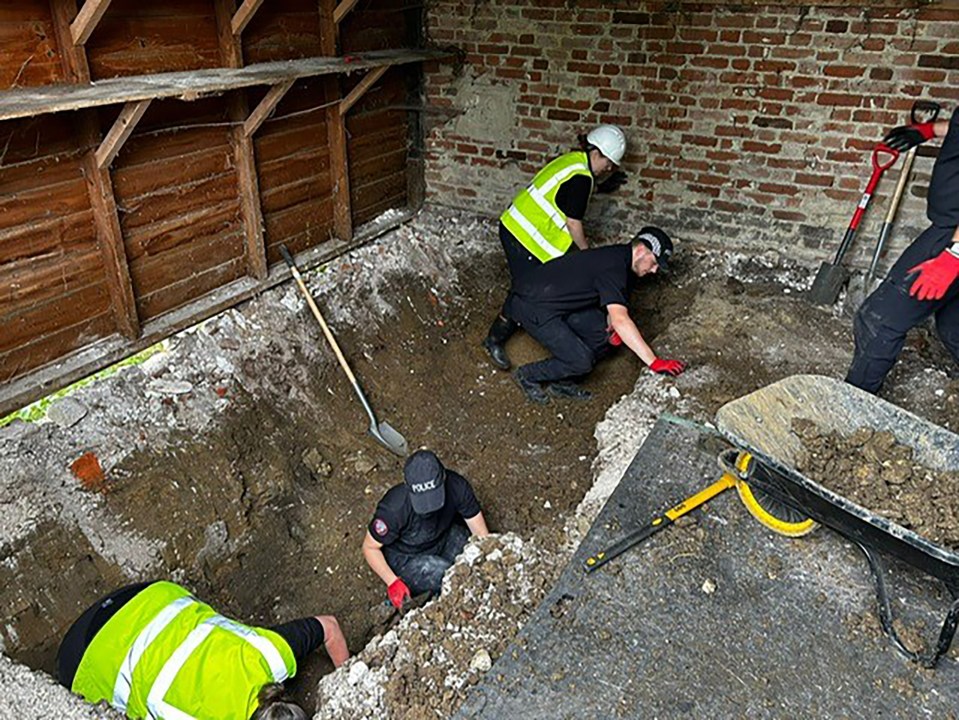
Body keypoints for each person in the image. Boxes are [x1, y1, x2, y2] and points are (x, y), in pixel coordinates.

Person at [56, 580, 348, 720]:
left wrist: (348, 679)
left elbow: (330, 627)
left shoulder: (266, 654)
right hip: (86, 655)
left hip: (148, 596)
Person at [482, 124, 629, 371]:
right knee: (525, 291)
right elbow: (573, 224)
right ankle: (494, 339)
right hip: (523, 236)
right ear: (599, 153)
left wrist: (601, 187)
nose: (609, 168)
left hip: (518, 226)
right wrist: (587, 254)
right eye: (609, 163)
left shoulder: (574, 162)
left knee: (541, 285)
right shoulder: (582, 179)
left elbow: (564, 192)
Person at [507, 226, 687, 404]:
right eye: (654, 262)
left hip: (562, 303)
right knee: (581, 361)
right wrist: (654, 362)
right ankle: (528, 374)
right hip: (533, 304)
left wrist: (611, 323)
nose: (654, 270)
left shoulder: (623, 261)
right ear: (641, 250)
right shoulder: (614, 267)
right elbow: (621, 319)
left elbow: (614, 308)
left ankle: (562, 382)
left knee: (602, 336)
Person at [846, 111, 959, 393]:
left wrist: (954, 255)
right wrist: (931, 130)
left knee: (879, 319)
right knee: (954, 328)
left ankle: (853, 404)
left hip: (952, 235)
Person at [362, 449, 489, 610]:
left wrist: (490, 562)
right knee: (452, 577)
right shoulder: (394, 508)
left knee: (473, 556)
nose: (429, 508)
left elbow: (482, 538)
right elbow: (369, 547)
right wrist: (392, 581)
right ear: (408, 487)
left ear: (444, 478)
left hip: (442, 536)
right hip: (406, 557)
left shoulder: (457, 487)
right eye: (422, 502)